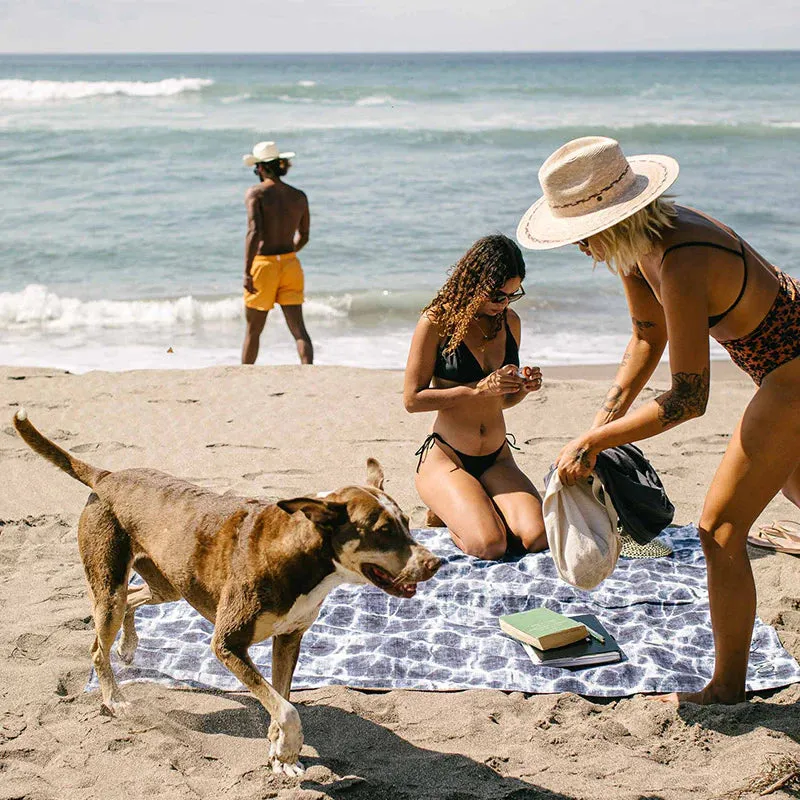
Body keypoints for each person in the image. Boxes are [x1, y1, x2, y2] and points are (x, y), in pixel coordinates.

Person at [516, 136, 800, 705]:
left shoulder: (682, 257)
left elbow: (689, 398)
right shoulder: (634, 246)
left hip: (792, 376)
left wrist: (595, 440)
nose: (581, 249)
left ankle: (727, 689)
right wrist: (598, 426)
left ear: (613, 218)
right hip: (779, 371)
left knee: (719, 530)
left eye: (582, 236)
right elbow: (648, 335)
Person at [404, 234, 548, 560]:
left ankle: (475, 501)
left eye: (513, 294)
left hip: (497, 457)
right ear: (474, 282)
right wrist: (476, 389)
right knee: (490, 545)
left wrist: (521, 389)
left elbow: (503, 401)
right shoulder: (437, 323)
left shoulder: (510, 323)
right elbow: (412, 399)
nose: (505, 302)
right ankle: (447, 507)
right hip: (448, 456)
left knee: (537, 538)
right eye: (497, 294)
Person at [241, 141, 313, 365]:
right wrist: (289, 253)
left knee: (254, 330)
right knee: (299, 329)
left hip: (264, 266)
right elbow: (304, 236)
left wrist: (247, 271)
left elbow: (254, 232)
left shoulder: (256, 193)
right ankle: (309, 372)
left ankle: (244, 374)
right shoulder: (298, 196)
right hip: (291, 265)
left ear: (261, 168)